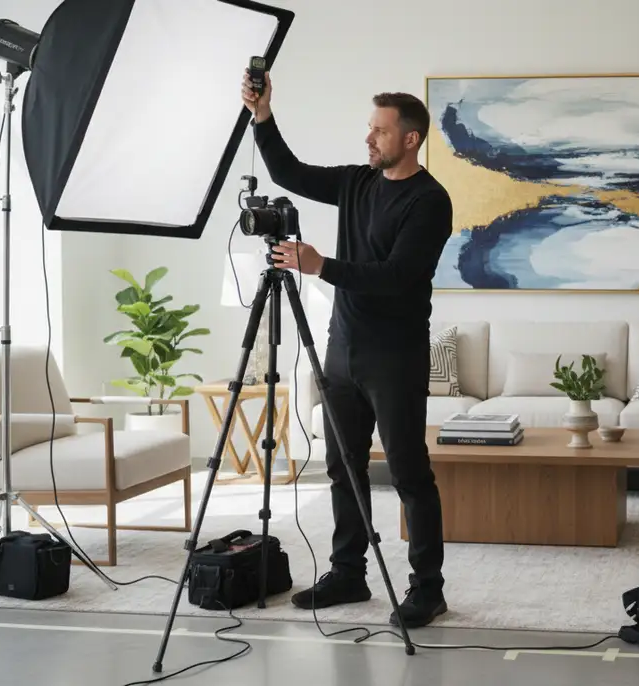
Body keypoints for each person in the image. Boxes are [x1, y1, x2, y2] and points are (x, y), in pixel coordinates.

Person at [241, 71, 452, 628]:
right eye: (369, 128)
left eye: (379, 131)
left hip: (395, 356)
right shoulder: (358, 183)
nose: (369, 139)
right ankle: (349, 572)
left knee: (409, 474)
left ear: (410, 139)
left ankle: (427, 590)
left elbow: (397, 276)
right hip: (342, 350)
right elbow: (289, 171)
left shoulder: (430, 202)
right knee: (343, 467)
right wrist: (263, 115)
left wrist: (321, 266)